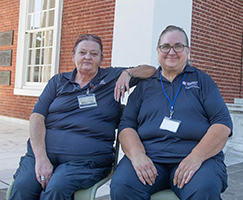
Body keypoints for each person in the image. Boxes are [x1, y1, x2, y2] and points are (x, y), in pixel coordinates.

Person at [9, 33, 156, 200]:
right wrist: (41, 159)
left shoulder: (112, 77)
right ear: (73, 56)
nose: (88, 57)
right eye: (82, 52)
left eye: (94, 54)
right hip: (43, 153)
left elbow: (151, 71)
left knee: (56, 188)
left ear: (101, 59)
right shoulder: (58, 81)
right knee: (23, 187)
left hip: (86, 161)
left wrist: (129, 72)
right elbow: (37, 117)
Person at [110, 25, 233, 200]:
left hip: (195, 157)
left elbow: (222, 124)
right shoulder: (145, 86)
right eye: (165, 46)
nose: (171, 52)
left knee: (204, 188)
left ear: (188, 51)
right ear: (158, 50)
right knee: (122, 185)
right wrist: (137, 156)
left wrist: (196, 158)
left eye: (178, 46)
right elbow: (127, 125)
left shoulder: (202, 81)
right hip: (150, 157)